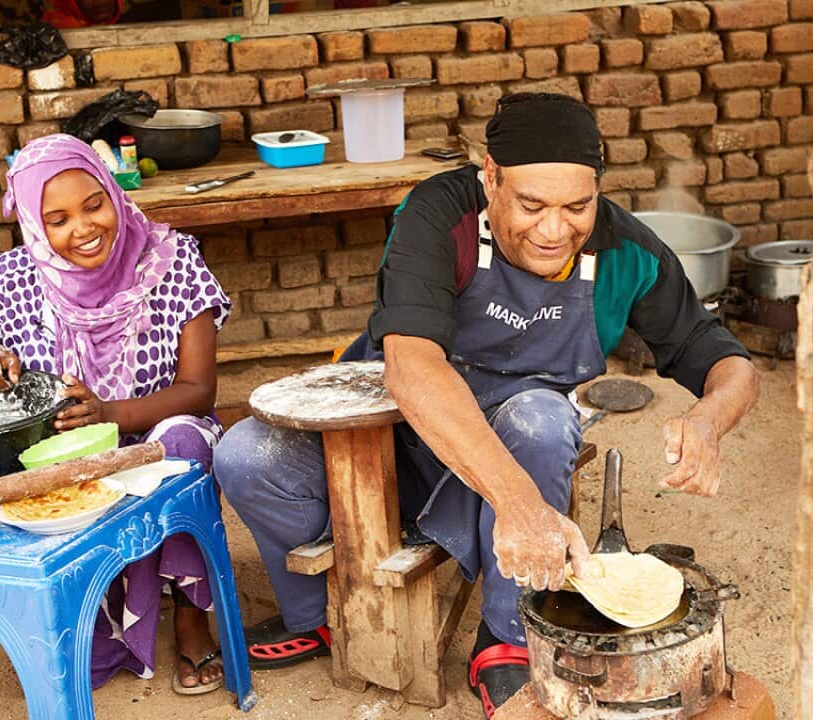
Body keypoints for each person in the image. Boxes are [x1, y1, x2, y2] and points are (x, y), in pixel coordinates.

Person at [213, 93, 759, 717]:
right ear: (491, 178)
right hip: (394, 432)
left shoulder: (625, 251)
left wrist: (709, 419)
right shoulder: (437, 214)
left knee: (543, 418)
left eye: (577, 206)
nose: (555, 230)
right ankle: (318, 616)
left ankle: (504, 639)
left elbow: (725, 358)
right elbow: (414, 370)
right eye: (531, 205)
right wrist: (522, 507)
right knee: (247, 455)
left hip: (515, 443)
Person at [0, 133, 231, 695]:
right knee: (26, 468)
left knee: (183, 445)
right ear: (35, 225)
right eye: (56, 219)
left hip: (157, 426)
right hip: (65, 445)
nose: (82, 229)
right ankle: (93, 618)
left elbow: (200, 391)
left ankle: (189, 617)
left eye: (93, 204)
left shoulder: (172, 261)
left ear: (113, 192)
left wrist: (109, 412)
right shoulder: (10, 279)